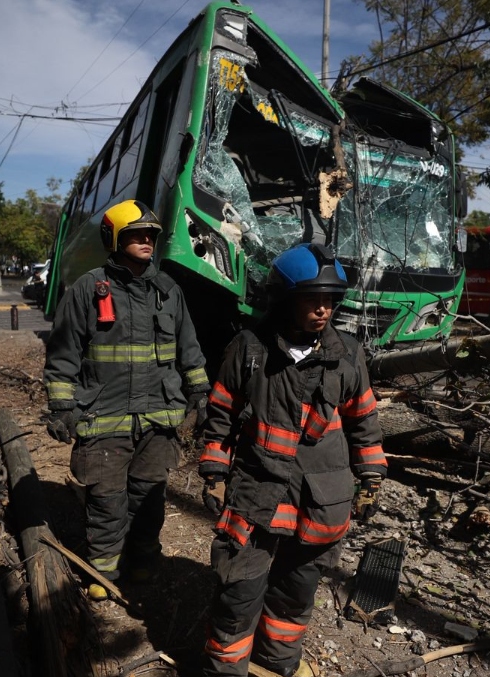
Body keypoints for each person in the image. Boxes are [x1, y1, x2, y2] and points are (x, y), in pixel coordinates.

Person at [198, 243, 386, 677]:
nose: (323, 311)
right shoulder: (249, 349)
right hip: (255, 498)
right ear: (284, 298)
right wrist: (213, 471)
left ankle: (278, 665)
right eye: (311, 299)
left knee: (295, 596)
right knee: (237, 595)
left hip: (321, 502)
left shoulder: (347, 354)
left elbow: (364, 422)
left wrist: (372, 477)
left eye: (330, 301)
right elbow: (221, 414)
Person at [43, 199, 209, 599]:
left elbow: (189, 347)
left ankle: (142, 561)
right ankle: (103, 572)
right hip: (104, 415)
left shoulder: (168, 291)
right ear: (113, 239)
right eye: (135, 234)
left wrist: (201, 392)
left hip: (158, 420)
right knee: (106, 498)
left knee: (149, 498)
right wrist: (62, 406)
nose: (146, 241)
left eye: (150, 235)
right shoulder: (89, 288)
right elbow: (63, 353)